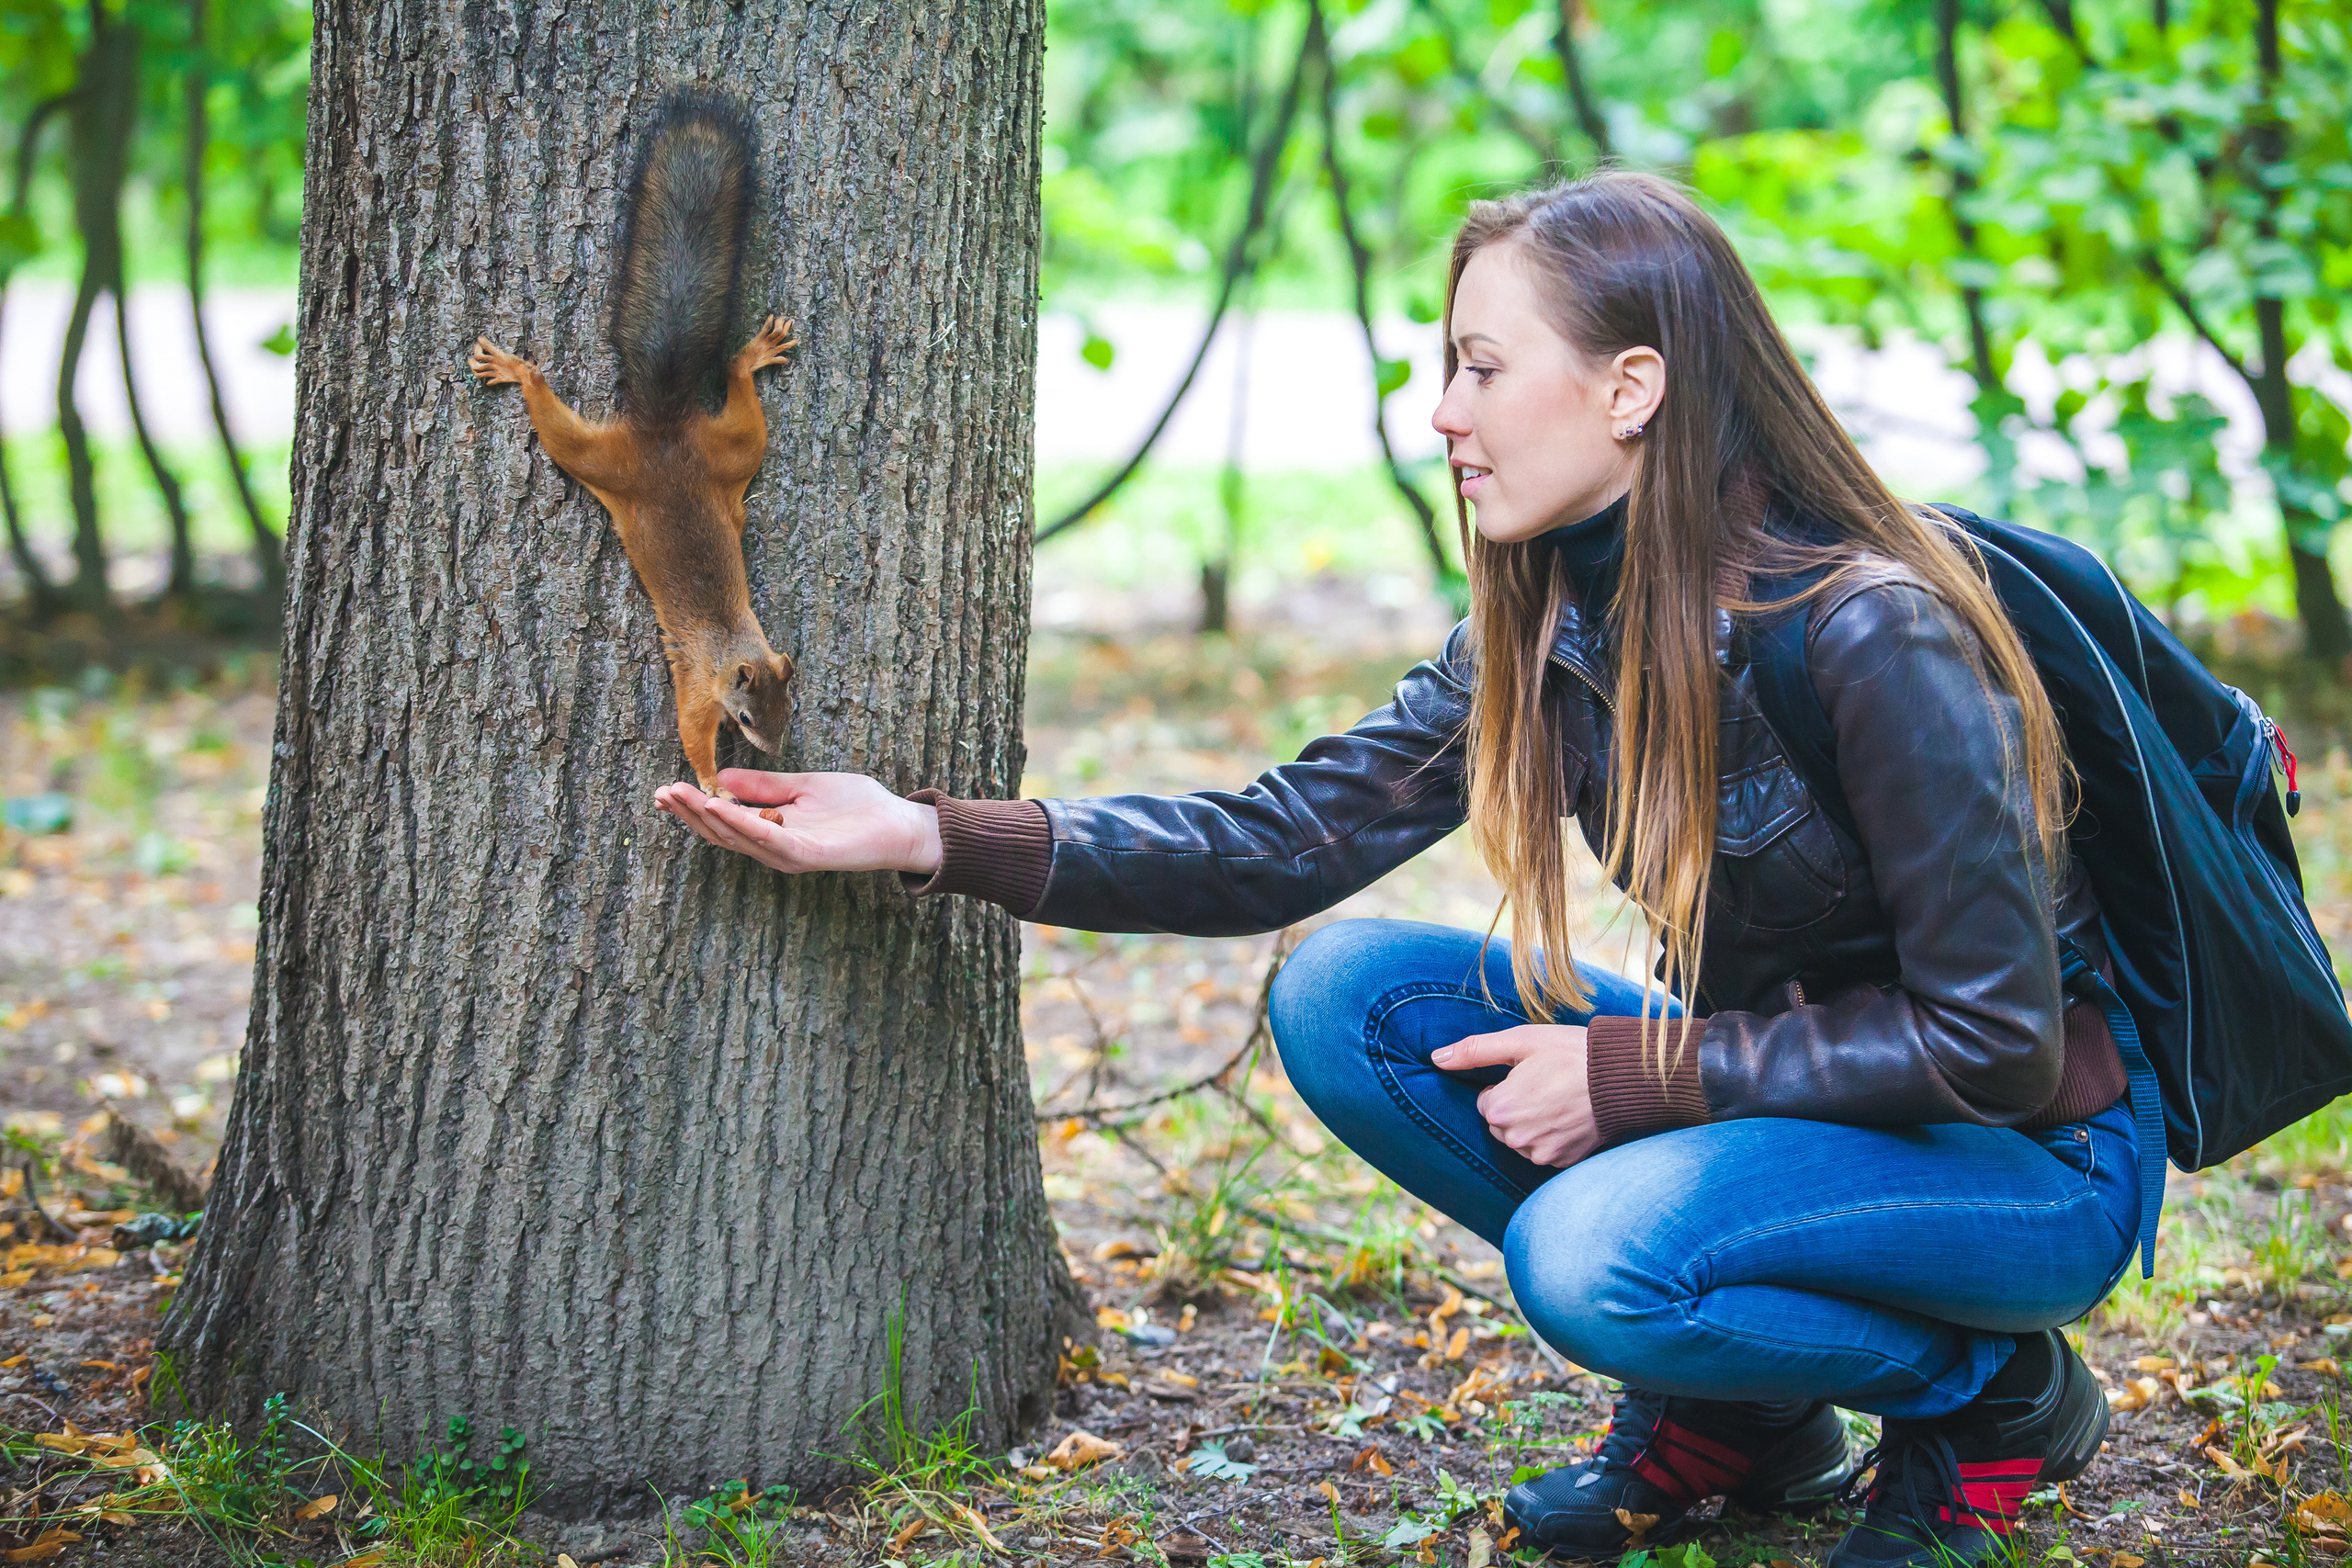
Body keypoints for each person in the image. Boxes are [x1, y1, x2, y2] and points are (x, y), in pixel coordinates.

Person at [654, 172, 2140, 1568]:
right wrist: (927, 831)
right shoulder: (1560, 620)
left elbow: (1996, 1041)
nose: (1445, 413)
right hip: (1792, 1103)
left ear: (1633, 388)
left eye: (1486, 369)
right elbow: (1273, 845)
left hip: (2024, 1163)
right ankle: (1752, 1419)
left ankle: (1990, 1392)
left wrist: (1641, 1078)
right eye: (1451, 368)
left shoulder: (1870, 629)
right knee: (1353, 999)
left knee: (1590, 1261)